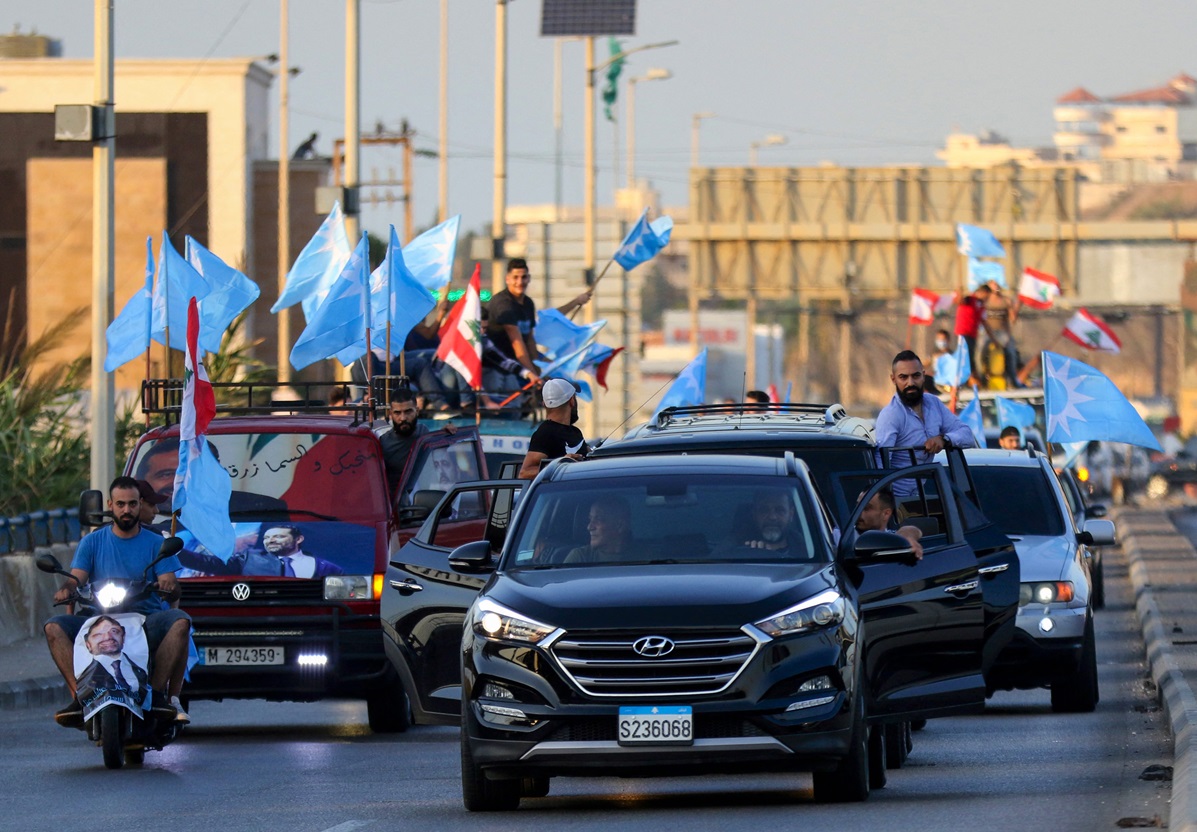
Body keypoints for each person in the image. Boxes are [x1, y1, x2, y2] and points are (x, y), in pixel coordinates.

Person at [45, 476, 192, 726]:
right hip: (98, 616)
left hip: (146, 618)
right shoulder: (92, 541)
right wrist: (67, 588)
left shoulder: (157, 543)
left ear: (139, 505)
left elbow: (170, 581)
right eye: (121, 504)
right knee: (53, 627)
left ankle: (155, 695)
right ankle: (79, 696)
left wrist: (167, 585)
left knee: (180, 622)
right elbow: (77, 577)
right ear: (111, 505)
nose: (127, 510)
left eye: (132, 504)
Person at [487, 258, 592, 383]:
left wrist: (539, 370)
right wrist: (533, 376)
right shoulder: (503, 304)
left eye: (524, 277)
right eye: (515, 277)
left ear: (529, 278)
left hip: (522, 360)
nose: (520, 282)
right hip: (503, 364)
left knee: (556, 369)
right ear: (507, 279)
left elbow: (530, 340)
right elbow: (517, 344)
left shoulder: (528, 303)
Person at [874, 350, 976, 477]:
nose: (910, 383)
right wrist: (884, 495)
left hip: (925, 491)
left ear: (923, 375)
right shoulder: (891, 415)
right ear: (893, 379)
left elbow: (967, 435)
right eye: (903, 377)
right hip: (898, 494)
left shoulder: (934, 404)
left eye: (915, 376)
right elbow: (880, 462)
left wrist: (944, 440)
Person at [178, 523, 344, 578]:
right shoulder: (249, 559)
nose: (270, 540)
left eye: (278, 536)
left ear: (298, 539)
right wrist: (177, 550)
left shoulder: (327, 568)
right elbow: (209, 563)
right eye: (266, 538)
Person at [379, 388, 455, 495]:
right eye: (397, 413)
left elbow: (437, 452)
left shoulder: (423, 432)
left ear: (417, 411)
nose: (403, 418)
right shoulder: (383, 444)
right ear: (390, 414)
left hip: (423, 501)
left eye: (408, 411)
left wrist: (446, 433)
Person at [518, 379, 586, 479]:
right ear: (571, 401)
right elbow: (524, 473)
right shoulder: (545, 433)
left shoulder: (575, 432)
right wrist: (560, 464)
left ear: (544, 404)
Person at [77, 615, 151, 702]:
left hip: (140, 610)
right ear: (88, 645)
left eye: (114, 631)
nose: (108, 637)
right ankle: (77, 697)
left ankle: (161, 695)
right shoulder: (85, 676)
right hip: (91, 611)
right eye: (98, 635)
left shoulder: (139, 670)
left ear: (123, 637)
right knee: (57, 626)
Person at [853, 488, 924, 560]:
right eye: (857, 507)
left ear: (886, 514)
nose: (858, 513)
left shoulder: (891, 537)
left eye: (866, 508)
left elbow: (914, 530)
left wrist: (907, 537)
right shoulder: (844, 536)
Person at [735, 489, 808, 556]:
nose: (772, 517)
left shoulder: (807, 549)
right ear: (754, 514)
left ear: (791, 514)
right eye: (764, 510)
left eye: (780, 510)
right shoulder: (735, 550)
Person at [563, 497, 635, 564]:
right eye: (590, 519)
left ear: (619, 526)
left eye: (598, 519)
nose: (589, 527)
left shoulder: (644, 555)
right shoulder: (580, 558)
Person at [954, 285, 996, 384]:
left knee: (971, 357)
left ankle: (971, 380)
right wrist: (959, 294)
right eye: (987, 296)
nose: (987, 299)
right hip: (963, 333)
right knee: (965, 358)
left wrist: (994, 339)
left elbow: (984, 323)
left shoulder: (981, 306)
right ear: (982, 292)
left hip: (972, 335)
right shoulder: (970, 299)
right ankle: (966, 380)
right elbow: (959, 301)